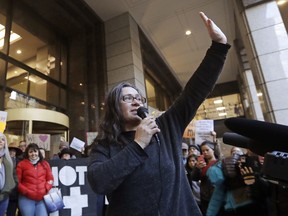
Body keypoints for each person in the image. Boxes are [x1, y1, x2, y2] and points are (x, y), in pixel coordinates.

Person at [88, 11, 230, 216]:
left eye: (139, 97)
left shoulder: (166, 125)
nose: (136, 100)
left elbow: (195, 91)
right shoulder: (105, 146)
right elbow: (98, 183)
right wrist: (138, 144)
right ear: (114, 108)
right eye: (127, 98)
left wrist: (219, 47)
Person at [16, 143, 54, 216]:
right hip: (26, 198)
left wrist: (46, 188)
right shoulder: (21, 164)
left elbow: (50, 178)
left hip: (42, 199)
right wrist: (26, 191)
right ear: (27, 153)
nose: (33, 154)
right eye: (30, 152)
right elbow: (17, 182)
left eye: (35, 151)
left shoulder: (45, 164)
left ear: (38, 152)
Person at [0, 133, 17, 216]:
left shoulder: (8, 159)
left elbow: (12, 176)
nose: (0, 141)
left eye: (3, 139)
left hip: (4, 195)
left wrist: (11, 188)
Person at [7, 142, 22, 216]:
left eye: (14, 151)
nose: (12, 152)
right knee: (10, 212)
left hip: (19, 191)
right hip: (8, 192)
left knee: (22, 212)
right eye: (10, 150)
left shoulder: (20, 162)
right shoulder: (3, 161)